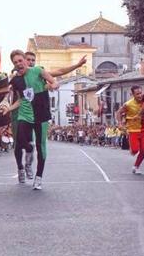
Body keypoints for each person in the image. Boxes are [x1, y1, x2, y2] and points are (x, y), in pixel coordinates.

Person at [8, 51, 86, 180]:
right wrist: (6, 107)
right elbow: (8, 92)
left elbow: (59, 72)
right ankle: (20, 167)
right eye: (28, 59)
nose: (30, 62)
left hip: (38, 110)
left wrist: (77, 66)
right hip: (19, 111)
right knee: (18, 142)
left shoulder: (39, 72)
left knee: (36, 142)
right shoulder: (15, 77)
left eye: (33, 60)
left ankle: (31, 166)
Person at [0, 50, 58, 190]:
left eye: (20, 61)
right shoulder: (15, 80)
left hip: (41, 112)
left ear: (26, 60)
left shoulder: (38, 71)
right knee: (19, 138)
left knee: (40, 145)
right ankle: (27, 150)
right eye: (15, 62)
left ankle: (38, 177)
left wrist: (53, 85)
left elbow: (53, 81)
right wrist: (9, 108)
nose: (19, 64)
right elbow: (20, 99)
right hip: (25, 113)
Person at [116, 85, 144, 174]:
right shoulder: (128, 104)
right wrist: (120, 123)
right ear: (132, 95)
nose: (140, 95)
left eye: (140, 93)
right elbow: (119, 113)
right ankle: (133, 149)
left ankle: (136, 166)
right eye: (137, 94)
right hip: (133, 130)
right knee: (135, 150)